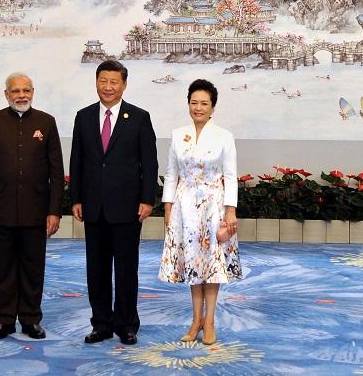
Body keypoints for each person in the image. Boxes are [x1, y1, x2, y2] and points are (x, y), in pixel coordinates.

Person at [70, 60, 158, 346]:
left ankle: (127, 324)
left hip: (127, 208)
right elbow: (77, 161)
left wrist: (147, 200)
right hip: (93, 207)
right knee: (95, 269)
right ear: (96, 82)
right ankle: (101, 324)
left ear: (124, 85)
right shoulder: (83, 117)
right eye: (103, 81)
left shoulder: (140, 117)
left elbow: (149, 163)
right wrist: (76, 198)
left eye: (114, 82)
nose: (108, 87)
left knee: (125, 269)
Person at [0, 72, 64, 340]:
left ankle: (30, 319)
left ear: (33, 92)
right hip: (0, 211)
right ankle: (4, 320)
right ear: (6, 94)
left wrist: (54, 211)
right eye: (16, 91)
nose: (21, 95)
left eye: (26, 90)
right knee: (3, 268)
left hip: (36, 212)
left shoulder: (46, 122)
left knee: (33, 267)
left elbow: (56, 172)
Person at [158, 79, 242, 345]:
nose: (198, 107)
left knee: (212, 264)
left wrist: (230, 213)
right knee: (193, 263)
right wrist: (168, 207)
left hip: (214, 206)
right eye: (194, 102)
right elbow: (171, 174)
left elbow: (231, 176)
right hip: (185, 207)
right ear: (188, 105)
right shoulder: (177, 134)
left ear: (213, 107)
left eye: (204, 103)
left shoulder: (224, 136)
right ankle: (195, 321)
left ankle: (210, 322)